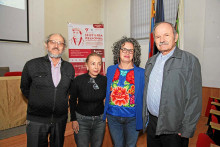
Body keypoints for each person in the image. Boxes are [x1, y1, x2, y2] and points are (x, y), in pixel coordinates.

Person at [142, 22, 202, 147]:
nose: (162, 40)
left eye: (166, 35)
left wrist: (186, 128)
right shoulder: (151, 61)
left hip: (175, 127)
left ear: (175, 37)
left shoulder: (189, 61)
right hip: (153, 123)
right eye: (158, 37)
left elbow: (194, 99)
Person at [20, 33, 75, 147]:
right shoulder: (32, 65)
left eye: (60, 43)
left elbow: (69, 91)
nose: (56, 45)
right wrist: (38, 101)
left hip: (60, 120)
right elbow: (25, 88)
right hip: (37, 120)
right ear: (46, 45)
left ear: (64, 48)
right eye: (53, 42)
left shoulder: (69, 68)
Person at [103, 36, 145, 147]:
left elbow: (144, 96)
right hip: (113, 117)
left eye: (131, 50)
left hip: (132, 118)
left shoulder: (141, 73)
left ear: (134, 53)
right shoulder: (111, 69)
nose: (127, 53)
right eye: (124, 49)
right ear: (118, 52)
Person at [69, 53, 107, 147]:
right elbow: (72, 101)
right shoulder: (78, 80)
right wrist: (73, 119)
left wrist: (107, 115)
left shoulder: (105, 80)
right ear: (86, 65)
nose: (96, 67)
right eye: (93, 63)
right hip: (82, 121)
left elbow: (108, 99)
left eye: (99, 64)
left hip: (99, 121)